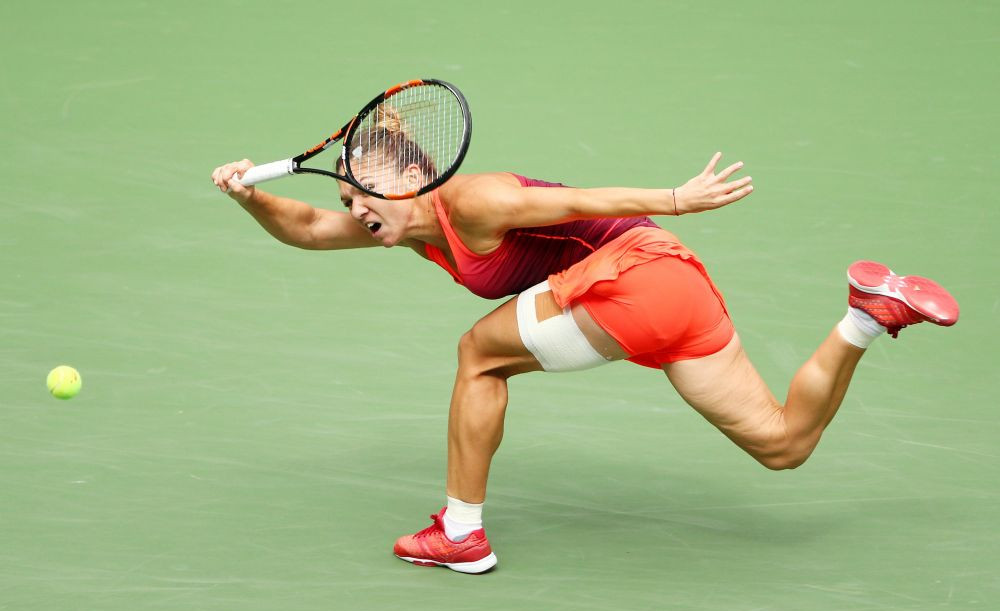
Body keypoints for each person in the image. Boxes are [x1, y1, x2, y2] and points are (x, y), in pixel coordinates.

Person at [211, 129, 959, 574]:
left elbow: (573, 202)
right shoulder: (406, 225)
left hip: (632, 274)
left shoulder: (473, 200)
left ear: (415, 178)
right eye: (347, 198)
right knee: (783, 443)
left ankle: (461, 534)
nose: (353, 209)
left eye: (362, 193)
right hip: (676, 286)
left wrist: (676, 198)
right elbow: (308, 228)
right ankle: (866, 315)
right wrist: (250, 195)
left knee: (478, 354)